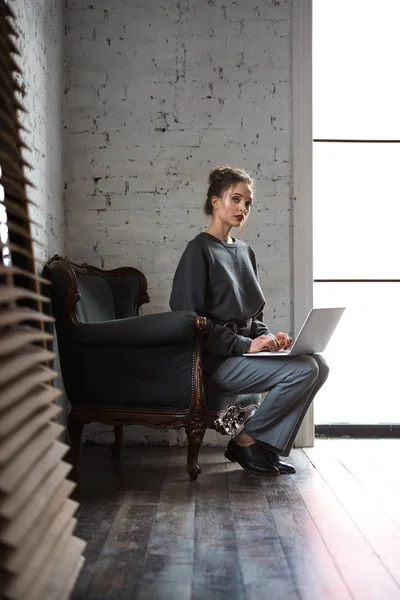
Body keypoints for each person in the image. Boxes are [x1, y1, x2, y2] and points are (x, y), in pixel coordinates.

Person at [169, 166, 329, 475]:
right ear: (215, 201)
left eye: (248, 203)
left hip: (243, 354)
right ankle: (245, 442)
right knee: (305, 369)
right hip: (217, 361)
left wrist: (270, 339)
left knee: (320, 365)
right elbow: (189, 320)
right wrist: (246, 343)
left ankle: (263, 447)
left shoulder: (245, 252)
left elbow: (254, 317)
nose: (243, 208)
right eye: (236, 199)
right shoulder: (198, 251)